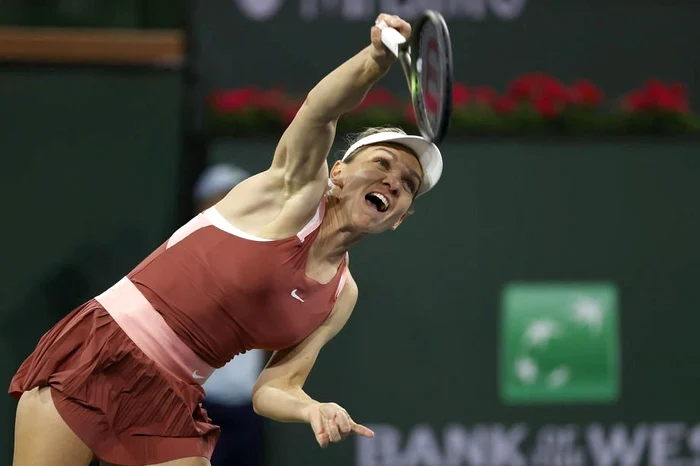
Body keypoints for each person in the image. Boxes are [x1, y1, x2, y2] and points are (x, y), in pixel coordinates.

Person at [9, 13, 443, 466]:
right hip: (104, 349)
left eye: (408, 183)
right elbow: (320, 110)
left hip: (170, 398)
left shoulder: (341, 295)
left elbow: (275, 388)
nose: (393, 182)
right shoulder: (290, 193)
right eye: (381, 164)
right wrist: (375, 58)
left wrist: (310, 407)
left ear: (399, 219)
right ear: (337, 173)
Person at [194, 163, 266, 466]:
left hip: (246, 407)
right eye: (221, 196)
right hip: (197, 406)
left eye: (235, 195)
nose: (230, 203)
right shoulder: (187, 255)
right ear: (203, 204)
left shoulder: (262, 256)